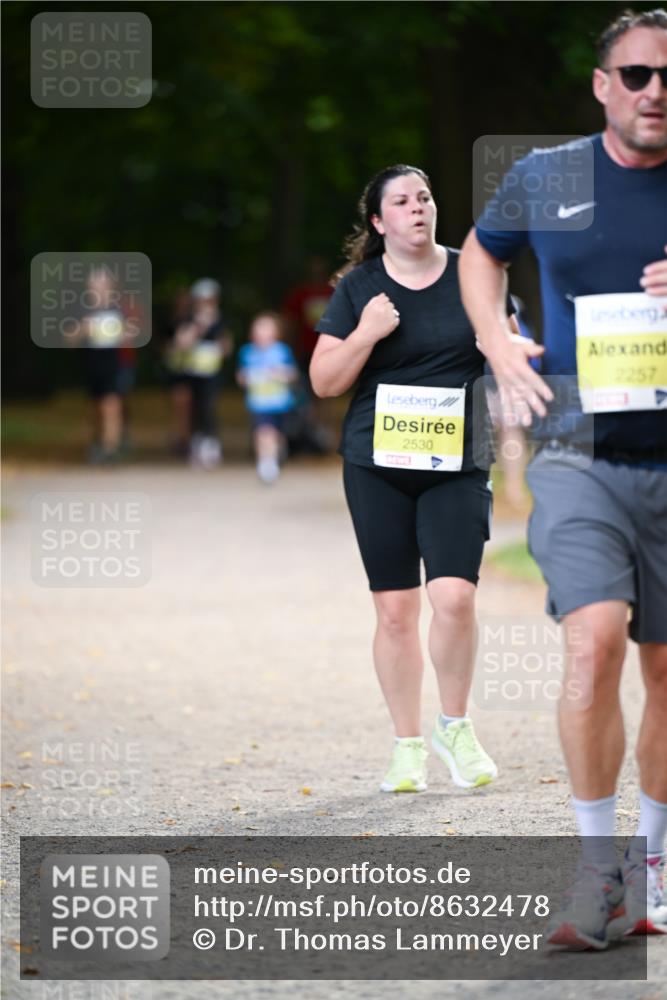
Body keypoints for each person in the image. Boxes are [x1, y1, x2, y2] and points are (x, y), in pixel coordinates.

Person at [459, 8, 667, 947]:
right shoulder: (549, 175)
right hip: (579, 450)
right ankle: (595, 875)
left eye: (665, 76)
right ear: (601, 84)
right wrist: (496, 339)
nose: (653, 91)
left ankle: (654, 874)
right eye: (633, 75)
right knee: (592, 646)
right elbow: (480, 252)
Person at [310, 164, 510, 795]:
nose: (418, 208)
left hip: (456, 462)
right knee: (395, 612)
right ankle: (407, 746)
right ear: (379, 221)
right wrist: (367, 332)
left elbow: (510, 351)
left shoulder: (474, 273)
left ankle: (455, 725)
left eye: (425, 196)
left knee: (453, 597)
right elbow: (324, 381)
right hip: (377, 466)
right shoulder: (358, 288)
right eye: (402, 201)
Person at [164, 278, 233, 469]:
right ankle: (194, 444)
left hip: (211, 372)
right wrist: (198, 327)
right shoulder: (188, 319)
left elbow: (227, 346)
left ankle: (211, 445)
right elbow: (180, 343)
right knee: (192, 408)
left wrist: (221, 347)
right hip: (191, 372)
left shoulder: (220, 320)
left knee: (209, 407)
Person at [70, 267, 136, 464]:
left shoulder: (119, 309)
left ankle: (110, 448)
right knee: (95, 408)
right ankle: (99, 441)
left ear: (110, 287)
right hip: (91, 363)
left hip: (114, 362)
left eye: (102, 284)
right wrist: (84, 329)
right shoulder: (81, 310)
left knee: (111, 405)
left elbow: (133, 335)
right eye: (95, 284)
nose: (98, 288)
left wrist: (126, 334)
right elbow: (69, 340)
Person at [236, 311, 298, 484]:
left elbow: (292, 374)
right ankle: (266, 464)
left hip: (280, 402)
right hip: (259, 403)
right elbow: (240, 376)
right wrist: (248, 378)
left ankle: (277, 453)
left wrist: (279, 374)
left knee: (277, 435)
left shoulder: (282, 351)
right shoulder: (247, 352)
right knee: (263, 433)